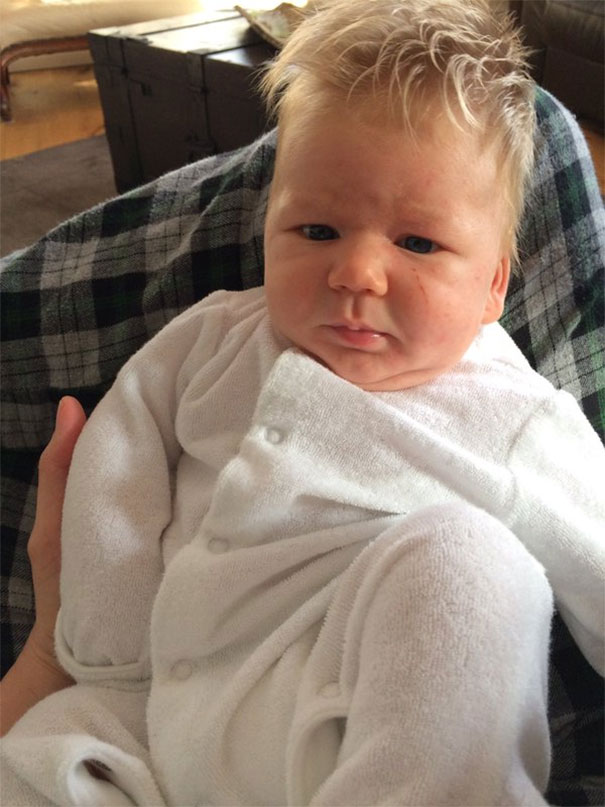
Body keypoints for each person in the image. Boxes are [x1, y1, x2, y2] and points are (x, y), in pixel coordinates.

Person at [2, 0, 604, 804]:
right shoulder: (214, 335)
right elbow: (118, 455)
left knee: (475, 569)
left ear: (493, 285)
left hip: (342, 734)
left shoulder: (511, 413)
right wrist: (99, 642)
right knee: (35, 755)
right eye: (316, 230)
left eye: (417, 243)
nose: (355, 272)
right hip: (148, 716)